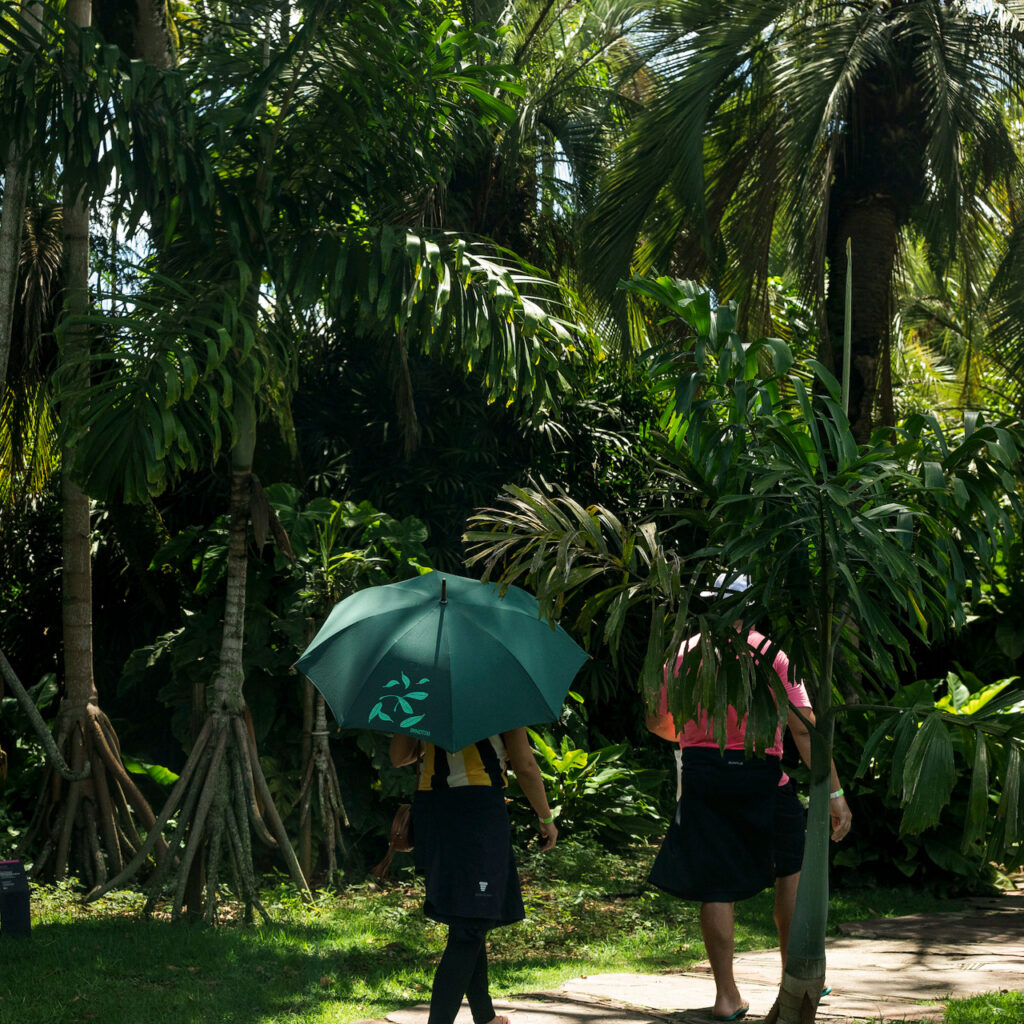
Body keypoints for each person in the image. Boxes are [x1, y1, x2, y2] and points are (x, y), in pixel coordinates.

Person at [646, 574, 852, 1023]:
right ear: (749, 607)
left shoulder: (682, 654)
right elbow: (803, 728)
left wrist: (694, 734)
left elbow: (657, 720)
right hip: (762, 776)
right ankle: (793, 976)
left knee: (716, 883)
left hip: (702, 775)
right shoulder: (770, 654)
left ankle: (726, 996)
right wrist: (834, 792)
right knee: (790, 868)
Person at [390, 729, 558, 1024]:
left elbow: (398, 757)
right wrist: (545, 817)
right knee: (471, 925)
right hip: (476, 809)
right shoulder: (500, 692)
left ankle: (485, 1016)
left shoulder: (426, 689)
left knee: (466, 919)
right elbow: (526, 766)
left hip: (431, 808)